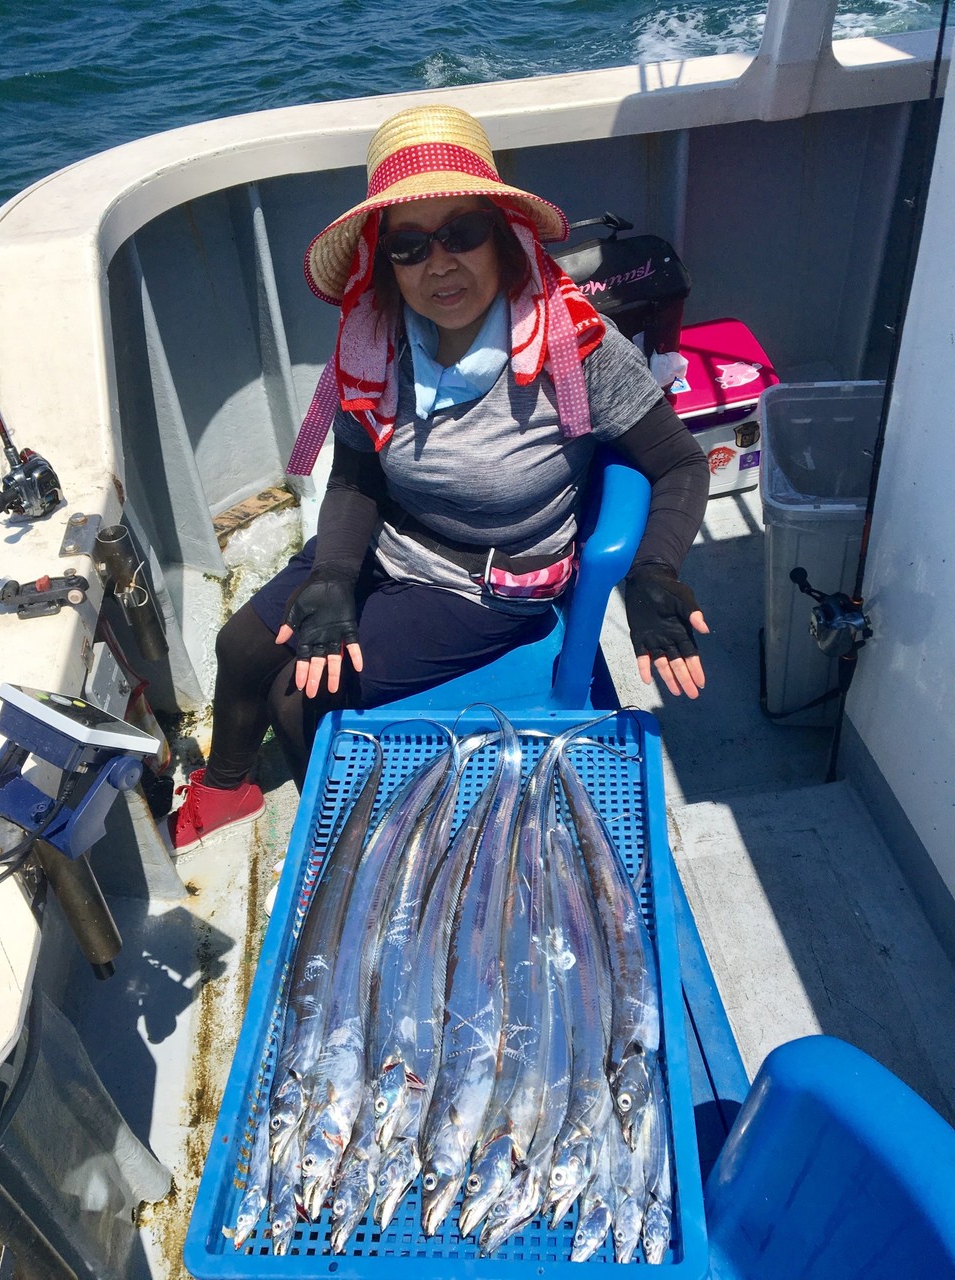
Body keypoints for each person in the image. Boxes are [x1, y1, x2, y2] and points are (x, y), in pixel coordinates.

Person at [161, 103, 710, 854]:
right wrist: (334, 575)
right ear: (385, 262)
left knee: (297, 697)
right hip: (389, 540)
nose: (439, 264)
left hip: (484, 585)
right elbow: (355, 478)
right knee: (240, 647)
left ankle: (350, 859)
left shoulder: (575, 344)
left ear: (505, 236)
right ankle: (229, 788)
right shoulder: (373, 340)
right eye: (410, 246)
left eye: (462, 233)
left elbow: (679, 461)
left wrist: (653, 572)